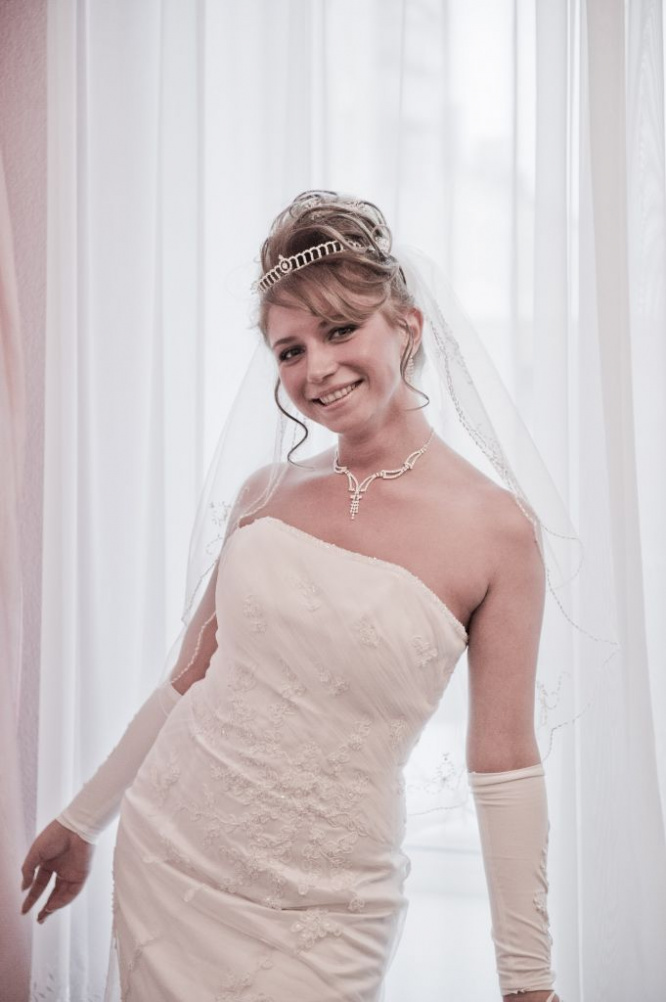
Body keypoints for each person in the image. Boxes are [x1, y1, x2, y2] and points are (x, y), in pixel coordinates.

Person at [21, 191, 564, 1002]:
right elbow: (189, 678)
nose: (316, 369)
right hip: (171, 858)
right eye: (289, 350)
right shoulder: (264, 493)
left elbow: (505, 762)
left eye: (340, 330)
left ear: (408, 326)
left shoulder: (498, 532)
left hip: (328, 912)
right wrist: (82, 819)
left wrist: (529, 984)